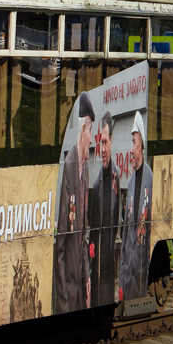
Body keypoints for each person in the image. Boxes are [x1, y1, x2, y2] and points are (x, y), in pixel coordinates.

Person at [53, 92, 94, 313]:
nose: (92, 139)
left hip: (79, 290)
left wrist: (86, 280)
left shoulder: (84, 169)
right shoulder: (70, 167)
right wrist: (63, 303)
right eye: (90, 132)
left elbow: (83, 234)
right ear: (82, 131)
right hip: (68, 295)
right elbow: (60, 246)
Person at [119, 113, 153, 301]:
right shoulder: (131, 182)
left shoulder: (150, 179)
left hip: (141, 272)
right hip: (129, 273)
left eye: (134, 142)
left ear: (141, 145)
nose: (131, 149)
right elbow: (125, 235)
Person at [89, 111, 121, 306]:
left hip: (109, 270)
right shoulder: (97, 184)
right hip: (96, 269)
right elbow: (92, 225)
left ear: (111, 142)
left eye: (105, 142)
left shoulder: (117, 177)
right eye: (100, 142)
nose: (102, 148)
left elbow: (118, 219)